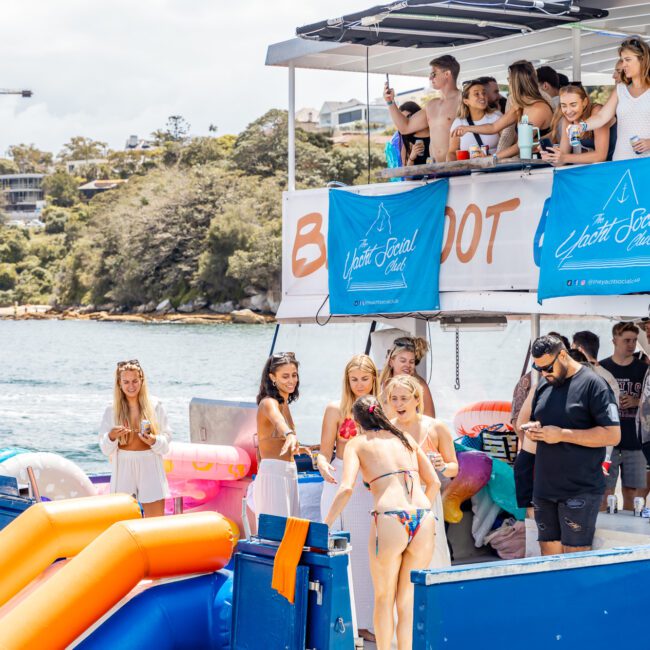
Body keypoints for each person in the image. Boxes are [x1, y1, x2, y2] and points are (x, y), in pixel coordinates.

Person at [324, 396, 439, 650]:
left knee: (384, 598)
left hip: (390, 518)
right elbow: (435, 483)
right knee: (406, 600)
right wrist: (421, 513)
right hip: (423, 518)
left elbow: (345, 489)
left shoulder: (357, 443)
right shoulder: (405, 438)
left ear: (356, 422)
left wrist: (326, 524)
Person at [518, 335, 620, 554]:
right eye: (539, 368)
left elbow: (612, 435)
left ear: (563, 355)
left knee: (575, 559)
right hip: (544, 488)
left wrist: (562, 434)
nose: (544, 373)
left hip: (579, 490)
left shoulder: (594, 385)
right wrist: (535, 430)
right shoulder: (544, 385)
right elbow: (532, 422)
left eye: (548, 367)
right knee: (548, 558)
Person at [318, 354, 378, 643]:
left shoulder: (381, 409)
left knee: (367, 553)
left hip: (367, 483)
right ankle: (339, 618)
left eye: (364, 379)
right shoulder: (335, 409)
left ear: (374, 378)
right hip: (339, 476)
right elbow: (324, 450)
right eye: (354, 379)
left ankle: (365, 621)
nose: (359, 385)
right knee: (336, 549)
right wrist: (321, 463)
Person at [385, 374, 457, 568]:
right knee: (400, 561)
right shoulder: (387, 429)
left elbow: (453, 469)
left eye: (404, 398)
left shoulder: (436, 427)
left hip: (428, 497)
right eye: (394, 399)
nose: (399, 404)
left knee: (434, 554)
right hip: (398, 501)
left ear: (417, 399)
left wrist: (442, 465)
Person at [99, 359, 171, 517]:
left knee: (155, 521)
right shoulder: (111, 409)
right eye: (126, 382)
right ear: (119, 383)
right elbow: (105, 449)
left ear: (142, 380)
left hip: (150, 464)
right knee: (123, 519)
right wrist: (111, 436)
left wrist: (153, 440)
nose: (131, 386)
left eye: (135, 381)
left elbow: (166, 446)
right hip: (123, 465)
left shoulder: (155, 406)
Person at [453, 60, 553, 159]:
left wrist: (492, 157)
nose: (508, 84)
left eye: (509, 79)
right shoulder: (520, 106)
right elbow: (494, 127)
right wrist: (467, 128)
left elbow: (520, 145)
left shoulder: (538, 108)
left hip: (545, 162)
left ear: (516, 83)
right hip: (532, 161)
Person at [572, 37, 650, 159]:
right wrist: (582, 126)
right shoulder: (620, 89)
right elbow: (602, 116)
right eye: (622, 60)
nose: (624, 65)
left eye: (628, 60)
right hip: (621, 160)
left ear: (643, 60)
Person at [599, 322, 649, 510]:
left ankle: (629, 535)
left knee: (634, 495)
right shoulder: (602, 368)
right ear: (614, 340)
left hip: (635, 442)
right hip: (607, 444)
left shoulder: (643, 370)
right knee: (604, 493)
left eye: (635, 340)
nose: (631, 345)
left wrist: (636, 402)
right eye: (626, 340)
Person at [253, 352, 303, 521]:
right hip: (274, 474)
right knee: (277, 535)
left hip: (289, 472)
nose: (291, 381)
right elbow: (278, 422)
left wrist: (298, 446)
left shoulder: (284, 403)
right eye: (285, 376)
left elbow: (277, 438)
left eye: (294, 375)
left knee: (293, 533)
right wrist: (289, 434)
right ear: (272, 377)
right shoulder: (268, 403)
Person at [384, 55, 461, 163]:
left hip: (459, 169)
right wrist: (390, 102)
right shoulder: (431, 105)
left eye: (433, 74)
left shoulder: (463, 100)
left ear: (447, 74)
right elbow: (405, 128)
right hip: (435, 171)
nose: (430, 78)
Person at [542, 85, 615, 165]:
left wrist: (564, 158)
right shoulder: (568, 119)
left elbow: (601, 156)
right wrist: (551, 156)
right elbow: (561, 160)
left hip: (615, 166)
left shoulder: (596, 111)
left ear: (584, 102)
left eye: (573, 105)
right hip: (595, 169)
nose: (568, 111)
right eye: (564, 106)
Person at [379, 336, 435, 417]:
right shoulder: (380, 383)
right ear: (391, 362)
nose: (407, 365)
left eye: (411, 362)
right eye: (403, 361)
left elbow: (430, 420)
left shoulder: (421, 386)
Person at [447, 80, 502, 160]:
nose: (482, 96)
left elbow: (511, 143)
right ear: (466, 101)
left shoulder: (496, 117)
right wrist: (452, 168)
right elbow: (452, 152)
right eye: (477, 94)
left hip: (497, 168)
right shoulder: (458, 122)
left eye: (484, 93)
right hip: (471, 170)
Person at [397, 101, 431, 166]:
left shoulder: (435, 131)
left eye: (409, 116)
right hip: (419, 175)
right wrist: (412, 157)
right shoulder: (407, 141)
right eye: (404, 119)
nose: (407, 121)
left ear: (418, 114)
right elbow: (407, 173)